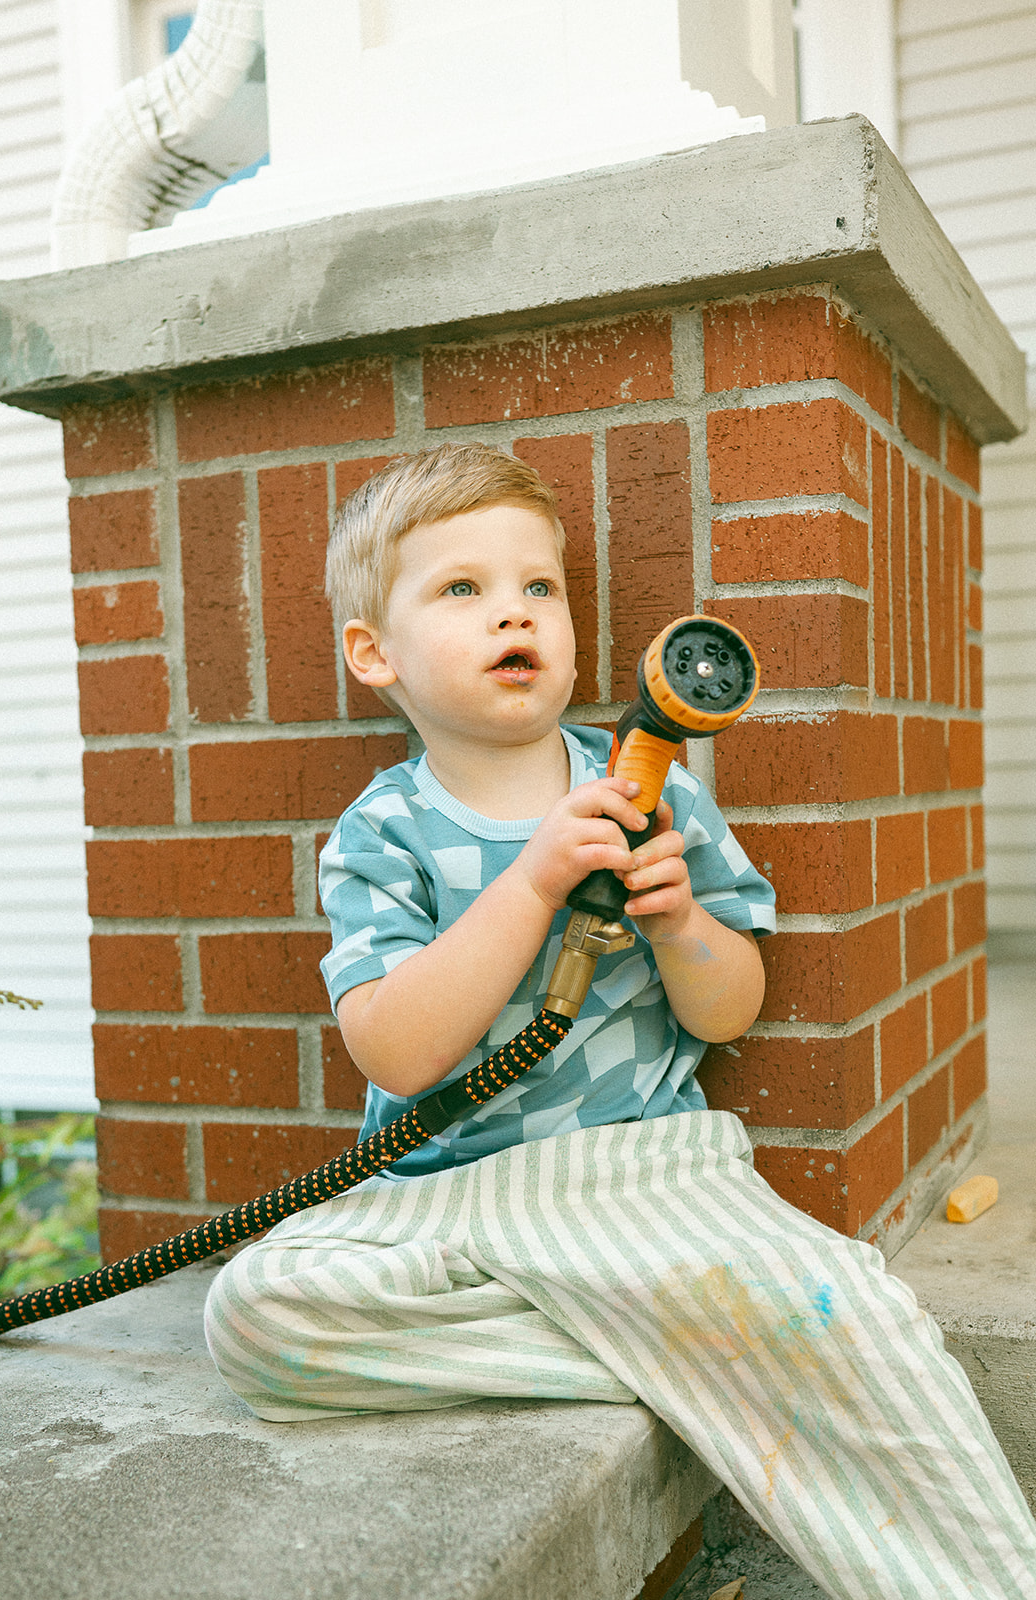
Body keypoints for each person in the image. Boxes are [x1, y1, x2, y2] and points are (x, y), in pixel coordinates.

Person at [205, 443, 1036, 1599]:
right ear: (373, 653)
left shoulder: (650, 787)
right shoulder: (380, 831)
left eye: (538, 587)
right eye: (463, 587)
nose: (514, 612)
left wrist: (683, 921)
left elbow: (731, 1008)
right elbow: (397, 1047)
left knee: (855, 1309)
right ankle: (683, 1347)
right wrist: (534, 879)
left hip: (641, 1175)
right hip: (447, 1196)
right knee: (255, 1313)